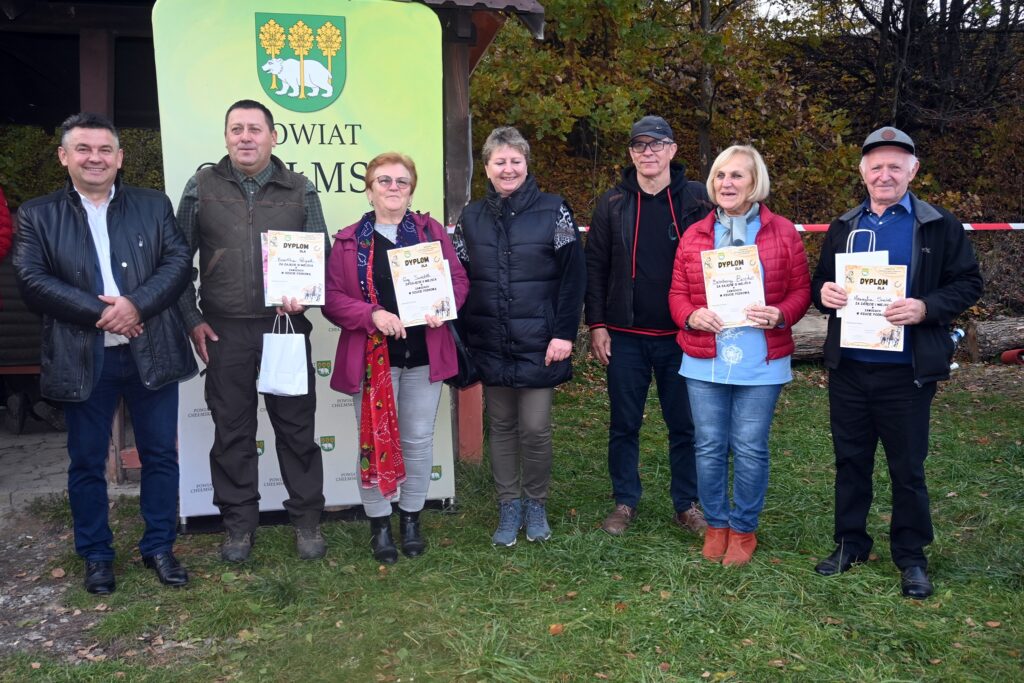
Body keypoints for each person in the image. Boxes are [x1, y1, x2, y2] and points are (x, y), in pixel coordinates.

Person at [13, 112, 197, 593]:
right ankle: (96, 554)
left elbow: (178, 263)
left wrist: (136, 304)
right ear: (64, 157)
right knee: (87, 462)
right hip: (81, 355)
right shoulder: (37, 214)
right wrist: (104, 313)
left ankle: (159, 546)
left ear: (119, 158)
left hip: (149, 349)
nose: (94, 158)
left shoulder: (153, 206)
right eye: (83, 149)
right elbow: (32, 282)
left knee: (160, 456)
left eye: (104, 150)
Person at [811, 127, 982, 598]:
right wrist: (823, 294)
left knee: (907, 468)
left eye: (895, 166)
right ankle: (850, 543)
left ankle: (911, 557)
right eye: (876, 166)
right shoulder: (845, 225)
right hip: (849, 366)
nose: (884, 174)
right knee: (850, 461)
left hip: (906, 369)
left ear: (913, 171)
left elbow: (968, 284)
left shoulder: (937, 224)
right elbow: (823, 283)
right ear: (862, 171)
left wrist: (926, 307)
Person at [176, 100, 329, 563]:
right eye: (236, 129)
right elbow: (177, 263)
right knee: (232, 433)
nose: (246, 136)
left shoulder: (300, 189)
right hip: (223, 331)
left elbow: (318, 258)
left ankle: (306, 522)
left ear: (273, 136)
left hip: (285, 328)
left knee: (297, 431)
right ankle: (238, 527)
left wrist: (307, 295)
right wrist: (191, 319)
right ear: (225, 137)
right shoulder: (200, 187)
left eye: (255, 129)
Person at [668, 145, 810, 566]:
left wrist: (780, 313)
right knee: (709, 446)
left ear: (755, 182)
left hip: (760, 359)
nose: (727, 184)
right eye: (720, 176)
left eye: (737, 176)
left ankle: (744, 529)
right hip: (705, 357)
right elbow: (676, 295)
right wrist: (691, 315)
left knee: (749, 447)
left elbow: (802, 291)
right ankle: (716, 525)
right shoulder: (695, 234)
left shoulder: (783, 232)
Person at [324, 152, 469, 564]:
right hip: (372, 359)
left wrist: (443, 305)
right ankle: (380, 525)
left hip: (424, 352)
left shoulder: (429, 231)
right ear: (369, 190)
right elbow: (333, 300)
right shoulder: (349, 240)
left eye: (401, 181)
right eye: (383, 181)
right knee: (371, 443)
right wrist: (373, 314)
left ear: (411, 190)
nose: (393, 188)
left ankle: (411, 519)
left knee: (419, 442)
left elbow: (457, 280)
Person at [452, 126, 586, 546]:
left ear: (526, 164)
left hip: (541, 342)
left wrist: (565, 333)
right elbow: (457, 278)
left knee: (535, 427)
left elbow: (573, 277)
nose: (508, 168)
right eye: (499, 161)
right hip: (490, 339)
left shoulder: (554, 211)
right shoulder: (471, 217)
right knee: (503, 425)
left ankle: (536, 503)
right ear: (487, 169)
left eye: (515, 160)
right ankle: (508, 505)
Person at [584, 115, 710, 537]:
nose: (648, 153)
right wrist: (597, 324)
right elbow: (595, 266)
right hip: (626, 336)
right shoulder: (613, 203)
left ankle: (686, 504)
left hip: (683, 335)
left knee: (685, 425)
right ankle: (624, 501)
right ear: (631, 154)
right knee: (624, 424)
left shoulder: (697, 199)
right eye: (640, 146)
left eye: (657, 145)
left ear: (673, 151)